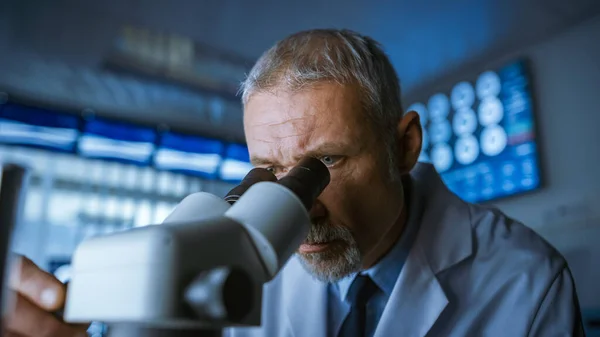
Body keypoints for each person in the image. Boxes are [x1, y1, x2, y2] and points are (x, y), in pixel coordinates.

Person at [3, 29, 584, 337]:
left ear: (404, 146)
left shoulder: (527, 282)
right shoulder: (249, 259)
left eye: (323, 164)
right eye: (269, 171)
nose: (299, 209)